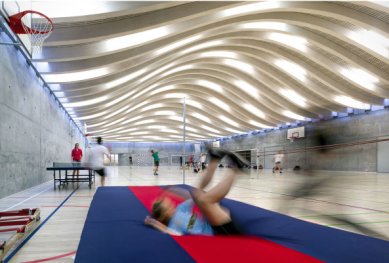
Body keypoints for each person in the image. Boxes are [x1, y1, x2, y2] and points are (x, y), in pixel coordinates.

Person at [144, 148, 249, 235]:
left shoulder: (180, 209)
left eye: (169, 203)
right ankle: (236, 170)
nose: (171, 205)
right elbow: (171, 233)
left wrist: (173, 190)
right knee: (204, 201)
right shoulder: (173, 225)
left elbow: (190, 197)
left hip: (214, 221)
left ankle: (214, 159)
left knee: (196, 193)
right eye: (168, 206)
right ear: (163, 215)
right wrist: (154, 223)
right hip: (217, 231)